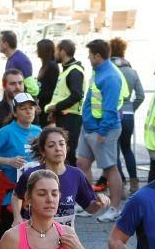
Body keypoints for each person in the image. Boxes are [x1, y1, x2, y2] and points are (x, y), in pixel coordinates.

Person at [0, 93, 41, 249]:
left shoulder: (39, 131)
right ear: (15, 112)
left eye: (31, 108)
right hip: (10, 191)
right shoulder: (5, 133)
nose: (29, 112)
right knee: (2, 235)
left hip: (33, 192)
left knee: (31, 232)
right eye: (23, 109)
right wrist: (8, 161)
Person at [13, 126, 109, 227]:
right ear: (43, 151)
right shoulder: (32, 175)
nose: (58, 149)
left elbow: (90, 208)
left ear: (66, 148)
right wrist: (17, 217)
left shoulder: (76, 174)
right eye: (51, 146)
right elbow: (16, 196)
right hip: (35, 234)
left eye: (61, 144)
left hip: (64, 237)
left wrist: (98, 203)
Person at [77, 39, 127, 222]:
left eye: (90, 54)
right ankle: (89, 203)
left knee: (110, 168)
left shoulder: (111, 76)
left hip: (102, 130)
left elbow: (111, 109)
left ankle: (114, 208)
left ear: (97, 56)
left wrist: (102, 132)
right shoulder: (98, 71)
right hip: (90, 127)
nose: (88, 58)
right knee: (82, 163)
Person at [110, 37, 146, 194]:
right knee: (127, 149)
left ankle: (120, 185)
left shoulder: (109, 70)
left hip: (113, 113)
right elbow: (141, 95)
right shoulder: (132, 71)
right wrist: (131, 108)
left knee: (114, 150)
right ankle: (134, 183)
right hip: (128, 113)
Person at [45, 40, 84, 167]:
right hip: (64, 117)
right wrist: (55, 111)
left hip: (71, 119)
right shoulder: (67, 70)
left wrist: (55, 107)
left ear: (63, 51)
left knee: (68, 154)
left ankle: (74, 184)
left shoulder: (74, 71)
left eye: (56, 50)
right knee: (64, 154)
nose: (55, 53)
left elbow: (77, 95)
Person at [0, 30, 37, 97]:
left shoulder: (21, 60)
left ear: (5, 44)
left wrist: (24, 104)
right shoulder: (12, 59)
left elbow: (33, 89)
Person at [35, 39, 59, 127]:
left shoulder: (52, 66)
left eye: (38, 49)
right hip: (41, 105)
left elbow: (54, 89)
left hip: (47, 107)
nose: (36, 51)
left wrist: (39, 94)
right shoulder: (45, 66)